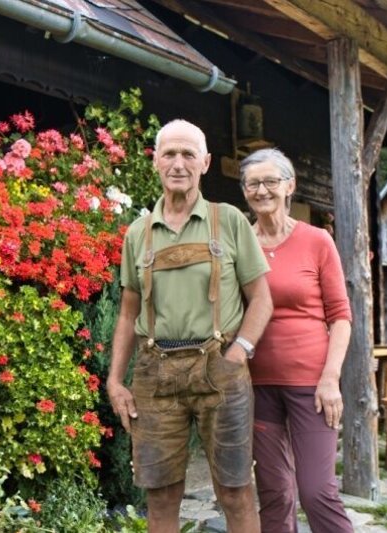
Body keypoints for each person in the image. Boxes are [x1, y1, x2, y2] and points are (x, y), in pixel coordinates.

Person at [107, 119, 273, 533]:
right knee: (161, 497)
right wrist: (115, 380)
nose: (178, 163)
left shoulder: (229, 221)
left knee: (235, 491)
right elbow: (127, 313)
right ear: (155, 162)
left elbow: (262, 300)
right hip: (154, 373)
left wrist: (239, 353)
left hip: (220, 369)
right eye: (169, 154)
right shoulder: (137, 234)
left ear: (205, 163)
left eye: (188, 154)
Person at [239, 148, 353, 533]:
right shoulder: (240, 243)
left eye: (271, 181)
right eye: (253, 183)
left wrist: (331, 379)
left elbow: (341, 317)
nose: (262, 190)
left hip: (312, 385)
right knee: (275, 492)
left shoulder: (317, 241)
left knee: (317, 491)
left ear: (290, 186)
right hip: (257, 387)